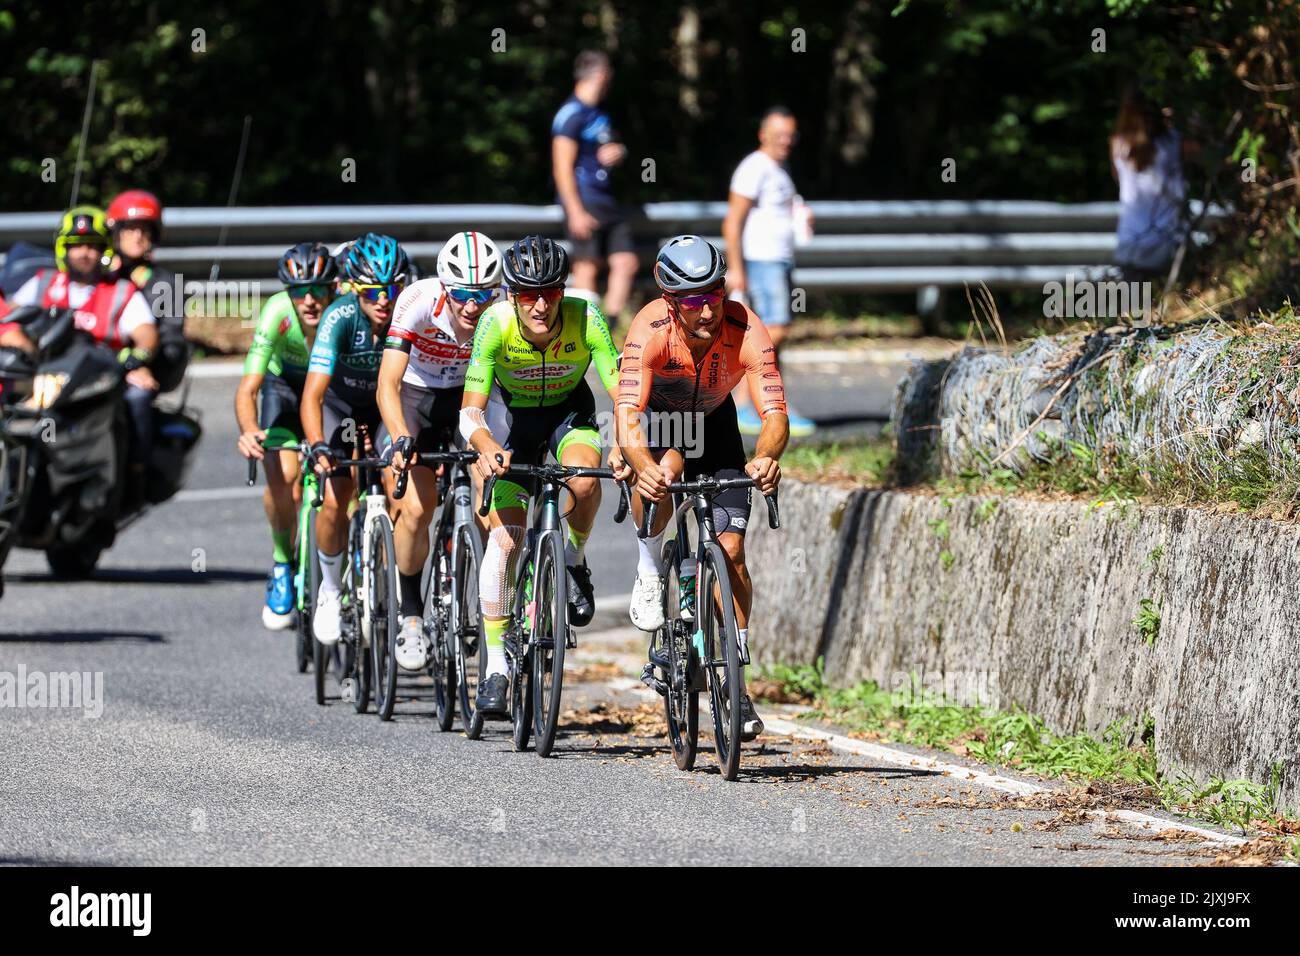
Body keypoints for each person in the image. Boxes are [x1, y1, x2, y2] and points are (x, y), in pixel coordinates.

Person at [617, 235, 789, 740]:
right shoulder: (648, 330)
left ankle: (735, 669)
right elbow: (627, 414)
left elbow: (774, 414)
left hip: (715, 425)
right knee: (659, 481)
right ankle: (650, 565)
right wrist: (643, 463)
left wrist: (765, 456)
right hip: (664, 422)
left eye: (714, 295)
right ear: (671, 303)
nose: (707, 310)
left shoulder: (746, 328)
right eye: (693, 302)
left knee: (731, 550)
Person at [459, 235, 620, 715]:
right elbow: (471, 411)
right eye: (529, 294)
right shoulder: (494, 324)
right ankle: (494, 667)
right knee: (505, 542)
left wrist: (629, 447)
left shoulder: (587, 316)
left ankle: (572, 560)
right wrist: (486, 447)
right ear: (511, 295)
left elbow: (622, 395)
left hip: (570, 416)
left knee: (587, 480)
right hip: (512, 427)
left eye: (551, 291)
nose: (541, 304)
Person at [377, 231, 501, 671]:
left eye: (483, 294)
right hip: (418, 398)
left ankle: (500, 600)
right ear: (446, 288)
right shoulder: (415, 301)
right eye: (464, 294)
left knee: (495, 491)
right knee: (416, 507)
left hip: (471, 397)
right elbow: (388, 383)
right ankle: (411, 614)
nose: (473, 305)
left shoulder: (503, 305)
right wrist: (398, 436)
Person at [302, 234, 411, 645]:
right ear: (353, 290)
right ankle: (330, 589)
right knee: (334, 496)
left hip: (388, 410)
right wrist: (317, 445)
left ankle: (399, 584)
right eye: (371, 293)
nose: (383, 300)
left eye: (392, 290)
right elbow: (312, 394)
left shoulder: (409, 314)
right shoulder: (339, 316)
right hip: (340, 408)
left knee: (401, 487)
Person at [9, 207, 160, 490]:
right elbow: (9, 317)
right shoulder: (42, 282)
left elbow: (146, 334)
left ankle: (135, 473)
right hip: (46, 374)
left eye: (92, 246)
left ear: (103, 251)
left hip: (101, 377)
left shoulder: (121, 291)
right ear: (63, 250)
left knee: (138, 397)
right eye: (76, 246)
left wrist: (135, 360)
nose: (84, 253)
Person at [235, 243, 336, 629]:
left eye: (317, 290)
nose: (308, 300)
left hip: (329, 390)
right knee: (284, 478)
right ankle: (282, 562)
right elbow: (248, 387)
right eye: (298, 291)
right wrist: (249, 431)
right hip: (285, 390)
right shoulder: (277, 312)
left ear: (333, 288)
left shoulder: (343, 311)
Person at [722, 106, 814, 438]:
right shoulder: (754, 168)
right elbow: (733, 221)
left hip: (779, 259)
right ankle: (745, 403)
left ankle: (775, 407)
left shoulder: (779, 168)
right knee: (775, 331)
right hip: (761, 261)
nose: (786, 141)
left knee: (773, 339)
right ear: (763, 135)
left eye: (791, 136)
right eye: (779, 135)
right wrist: (736, 267)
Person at [551, 50, 637, 324]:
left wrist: (618, 153)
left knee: (626, 262)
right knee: (587, 265)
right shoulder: (570, 114)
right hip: (583, 197)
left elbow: (602, 151)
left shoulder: (599, 113)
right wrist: (574, 210)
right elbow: (561, 165)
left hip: (606, 198)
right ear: (601, 75)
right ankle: (585, 331)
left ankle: (608, 327)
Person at [105, 189, 189, 393]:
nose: (138, 237)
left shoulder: (168, 283)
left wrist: (140, 359)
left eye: (144, 230)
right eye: (130, 229)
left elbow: (172, 336)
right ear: (116, 233)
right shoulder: (101, 276)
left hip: (147, 362)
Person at [1109, 84, 1189, 284]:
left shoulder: (1118, 144)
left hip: (1129, 240)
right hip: (1166, 241)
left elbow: (1118, 180)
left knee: (1133, 307)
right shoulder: (1173, 143)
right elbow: (1212, 155)